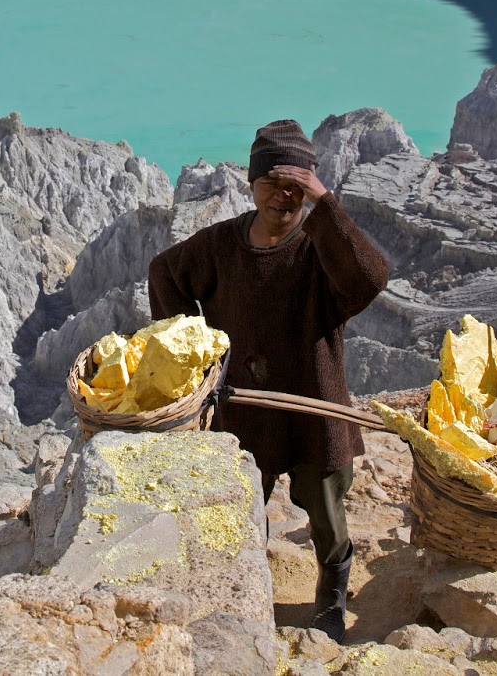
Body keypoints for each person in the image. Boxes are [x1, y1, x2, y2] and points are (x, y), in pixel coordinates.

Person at [147, 119, 388, 641]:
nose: (284, 196)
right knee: (239, 501)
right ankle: (242, 585)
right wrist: (194, 355)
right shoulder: (220, 246)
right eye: (274, 183)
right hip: (242, 406)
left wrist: (325, 206)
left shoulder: (320, 249)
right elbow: (165, 273)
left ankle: (331, 594)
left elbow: (370, 277)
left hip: (312, 404)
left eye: (297, 186)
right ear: (250, 185)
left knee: (325, 502)